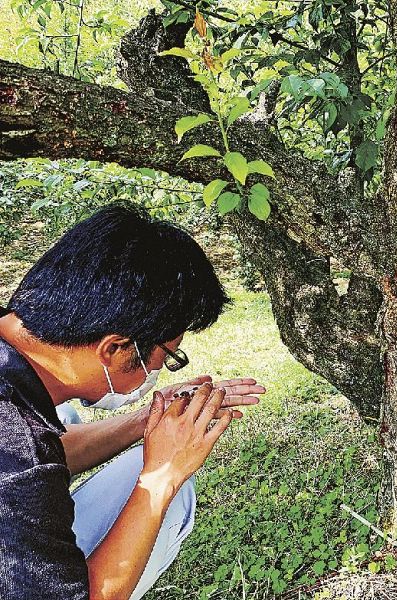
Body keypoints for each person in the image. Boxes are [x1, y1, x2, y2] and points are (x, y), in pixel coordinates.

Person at [0, 204, 265, 600]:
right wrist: (163, 476)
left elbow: (45, 455)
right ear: (115, 347)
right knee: (167, 496)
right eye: (167, 354)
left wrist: (145, 420)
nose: (164, 368)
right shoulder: (20, 455)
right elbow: (26, 463)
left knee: (64, 418)